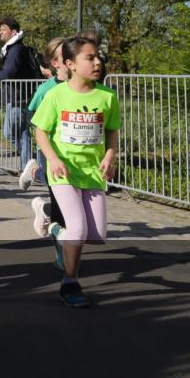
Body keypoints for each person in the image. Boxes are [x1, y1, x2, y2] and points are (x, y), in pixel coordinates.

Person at [30, 36, 121, 308]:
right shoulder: (56, 95)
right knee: (78, 230)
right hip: (64, 172)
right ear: (70, 64)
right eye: (89, 58)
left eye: (98, 57)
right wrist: (53, 159)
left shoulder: (107, 96)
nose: (97, 62)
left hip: (92, 172)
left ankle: (56, 228)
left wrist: (110, 156)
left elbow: (112, 130)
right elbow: (40, 131)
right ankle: (70, 283)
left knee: (96, 235)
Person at [22, 37, 69, 271]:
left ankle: (42, 208)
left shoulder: (84, 86)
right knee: (62, 207)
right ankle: (61, 253)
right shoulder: (47, 89)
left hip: (79, 159)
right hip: (53, 155)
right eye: (65, 55)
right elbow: (31, 114)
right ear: (55, 62)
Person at [0, 17, 42, 184]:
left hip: (18, 98)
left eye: (4, 29)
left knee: (10, 133)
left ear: (13, 32)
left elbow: (9, 73)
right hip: (22, 96)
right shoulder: (15, 49)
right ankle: (26, 166)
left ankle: (29, 163)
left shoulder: (15, 50)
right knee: (23, 133)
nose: (0, 31)